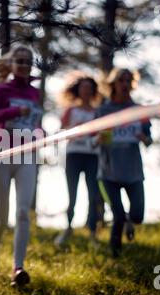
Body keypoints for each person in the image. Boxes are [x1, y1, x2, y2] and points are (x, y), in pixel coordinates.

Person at [0, 45, 44, 286]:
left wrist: (41, 133)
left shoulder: (35, 93)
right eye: (19, 61)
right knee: (2, 216)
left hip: (27, 155)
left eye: (28, 61)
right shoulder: (2, 89)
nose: (24, 65)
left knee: (22, 213)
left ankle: (18, 269)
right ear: (11, 64)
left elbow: (34, 122)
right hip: (3, 153)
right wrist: (16, 109)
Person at [95, 68, 153, 258]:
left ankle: (130, 221)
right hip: (108, 172)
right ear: (113, 84)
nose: (125, 84)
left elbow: (149, 140)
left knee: (137, 216)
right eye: (121, 80)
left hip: (134, 172)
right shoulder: (103, 111)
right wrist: (99, 139)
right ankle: (116, 255)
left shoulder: (140, 111)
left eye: (129, 81)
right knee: (118, 215)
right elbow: (93, 139)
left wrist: (144, 138)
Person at [54, 72, 104, 247]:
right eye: (83, 87)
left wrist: (97, 136)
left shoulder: (98, 112)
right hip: (73, 155)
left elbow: (102, 133)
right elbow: (60, 131)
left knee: (93, 194)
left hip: (92, 156)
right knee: (72, 193)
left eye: (90, 88)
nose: (86, 91)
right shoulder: (70, 110)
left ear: (93, 91)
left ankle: (92, 233)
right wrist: (71, 129)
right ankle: (68, 228)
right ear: (78, 90)